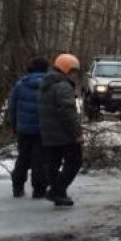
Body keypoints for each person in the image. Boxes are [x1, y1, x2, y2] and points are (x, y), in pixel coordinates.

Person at [39, 53, 84, 207]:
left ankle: (59, 194)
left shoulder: (46, 84)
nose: (75, 75)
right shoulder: (63, 86)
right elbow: (67, 112)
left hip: (48, 132)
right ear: (66, 70)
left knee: (53, 163)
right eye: (73, 71)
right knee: (75, 161)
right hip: (64, 133)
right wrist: (77, 133)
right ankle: (56, 191)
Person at [8, 57, 49, 198]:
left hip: (23, 128)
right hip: (43, 129)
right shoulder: (49, 85)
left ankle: (17, 187)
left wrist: (14, 125)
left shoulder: (20, 85)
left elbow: (12, 107)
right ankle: (39, 190)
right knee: (40, 160)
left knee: (23, 158)